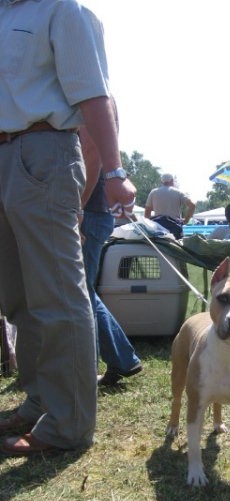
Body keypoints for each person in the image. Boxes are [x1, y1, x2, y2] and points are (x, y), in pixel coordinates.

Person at [0, 0, 136, 455]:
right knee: (18, 296)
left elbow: (94, 96)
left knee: (58, 295)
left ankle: (68, 424)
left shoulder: (63, 10)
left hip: (43, 149)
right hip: (6, 155)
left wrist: (114, 173)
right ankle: (41, 400)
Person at [79, 121, 142, 387]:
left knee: (80, 293)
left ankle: (84, 372)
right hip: (95, 214)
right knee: (85, 291)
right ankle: (122, 359)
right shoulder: (97, 101)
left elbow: (90, 153)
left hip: (88, 214)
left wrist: (76, 210)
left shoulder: (83, 97)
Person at [145, 173, 195, 239]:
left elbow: (147, 212)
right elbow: (192, 206)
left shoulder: (153, 192)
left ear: (161, 182)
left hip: (158, 228)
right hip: (174, 227)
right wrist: (186, 220)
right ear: (171, 181)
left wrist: (148, 226)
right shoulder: (178, 192)